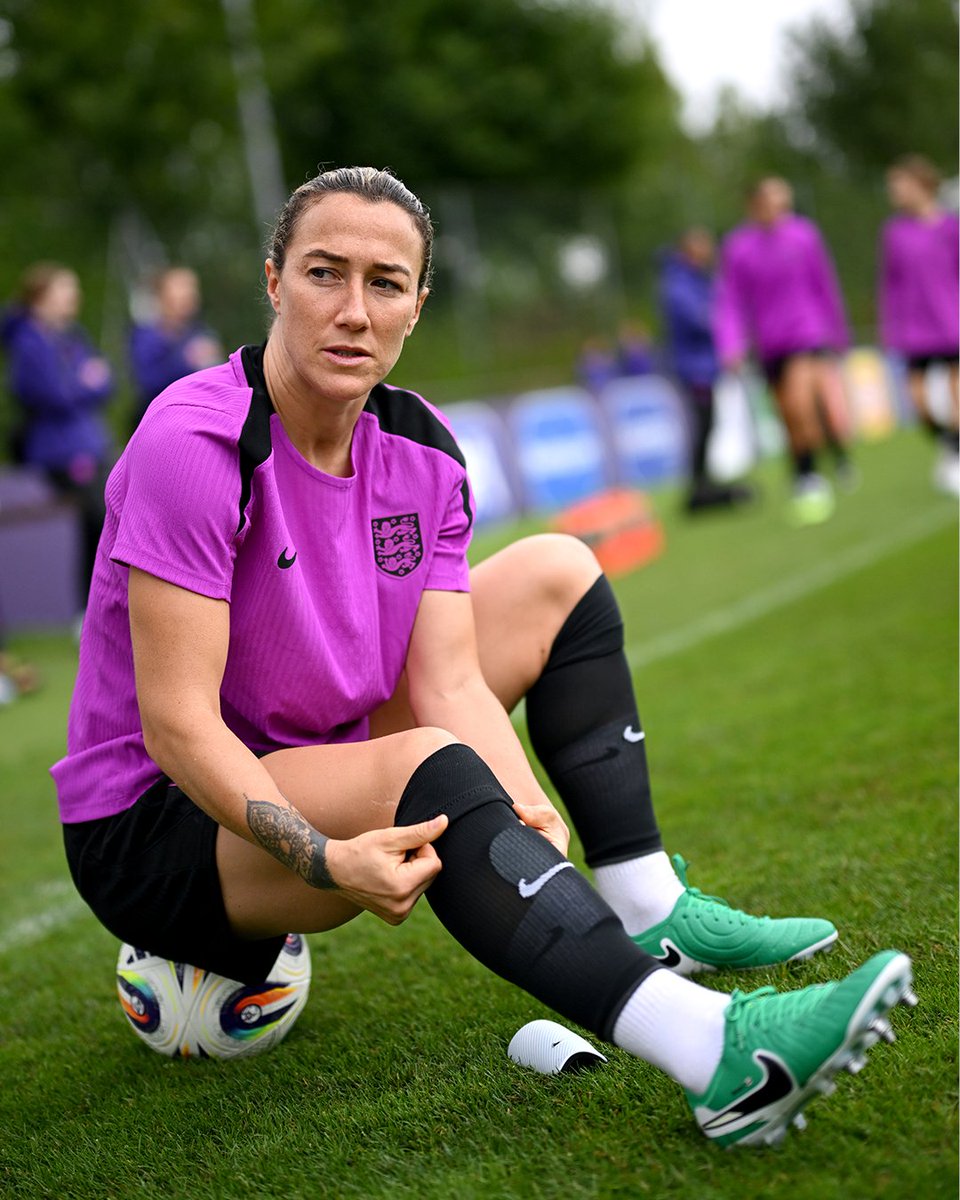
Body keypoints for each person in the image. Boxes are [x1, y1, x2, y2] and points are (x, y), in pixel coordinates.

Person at [53, 166, 914, 1149]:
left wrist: (524, 815)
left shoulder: (423, 448)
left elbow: (449, 680)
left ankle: (646, 908)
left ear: (417, 305)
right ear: (274, 281)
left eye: (385, 283)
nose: (353, 309)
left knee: (557, 572)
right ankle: (719, 1054)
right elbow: (177, 725)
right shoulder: (194, 442)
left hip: (315, 743)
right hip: (157, 819)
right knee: (431, 768)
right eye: (325, 273)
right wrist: (324, 858)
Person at [713, 178, 855, 526]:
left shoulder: (804, 236)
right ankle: (810, 466)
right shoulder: (739, 247)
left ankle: (812, 474)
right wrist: (731, 343)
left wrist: (838, 333)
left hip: (807, 335)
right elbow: (730, 300)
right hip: (769, 345)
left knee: (802, 403)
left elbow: (824, 284)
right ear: (755, 204)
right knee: (790, 415)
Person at [1, 262, 114, 610]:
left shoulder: (72, 335)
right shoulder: (28, 343)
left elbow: (106, 382)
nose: (74, 296)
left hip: (91, 445)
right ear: (41, 297)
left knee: (109, 513)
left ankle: (100, 604)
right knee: (97, 516)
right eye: (65, 289)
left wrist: (82, 384)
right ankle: (89, 608)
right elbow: (52, 394)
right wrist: (85, 383)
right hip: (58, 453)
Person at [879, 155, 960, 496]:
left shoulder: (951, 227)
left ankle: (955, 458)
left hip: (952, 324)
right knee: (919, 403)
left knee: (957, 399)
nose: (895, 192)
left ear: (921, 185)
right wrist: (890, 327)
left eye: (900, 185)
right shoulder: (894, 233)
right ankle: (951, 447)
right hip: (915, 332)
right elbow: (890, 283)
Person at [659, 227, 753, 513]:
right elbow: (703, 319)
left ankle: (703, 482)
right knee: (702, 425)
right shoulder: (678, 284)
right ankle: (698, 486)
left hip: (704, 366)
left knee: (708, 424)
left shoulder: (697, 280)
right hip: (695, 370)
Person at [128, 266, 223, 432]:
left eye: (192, 287)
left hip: (199, 423)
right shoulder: (146, 336)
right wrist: (187, 362)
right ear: (162, 295)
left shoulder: (202, 333)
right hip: (158, 425)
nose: (189, 293)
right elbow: (148, 382)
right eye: (180, 287)